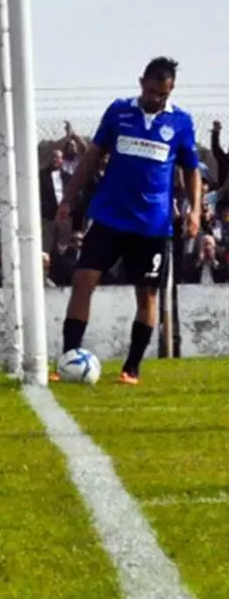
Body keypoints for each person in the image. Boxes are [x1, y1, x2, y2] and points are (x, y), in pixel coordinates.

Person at [54, 57, 201, 385]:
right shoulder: (119, 112)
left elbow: (192, 170)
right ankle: (68, 358)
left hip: (152, 225)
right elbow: (92, 157)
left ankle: (131, 368)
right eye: (151, 91)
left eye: (162, 94)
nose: (155, 99)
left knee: (147, 294)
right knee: (83, 280)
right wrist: (68, 199)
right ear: (141, 83)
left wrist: (195, 211)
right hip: (109, 217)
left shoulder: (181, 122)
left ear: (171, 90)